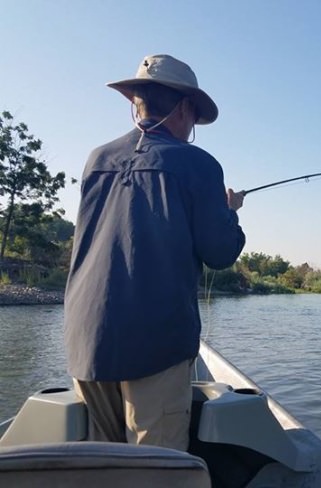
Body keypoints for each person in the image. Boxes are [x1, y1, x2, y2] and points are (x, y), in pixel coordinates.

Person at [63, 54, 246, 451]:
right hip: (155, 342)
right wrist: (229, 214)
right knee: (155, 467)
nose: (193, 126)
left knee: (103, 462)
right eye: (194, 117)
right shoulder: (198, 164)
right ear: (184, 108)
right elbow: (220, 252)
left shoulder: (97, 158)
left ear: (135, 104)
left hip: (85, 339)